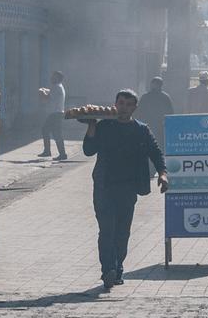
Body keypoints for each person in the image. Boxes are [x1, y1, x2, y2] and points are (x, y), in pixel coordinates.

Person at [82, 89, 168, 288]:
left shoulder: (141, 130)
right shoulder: (104, 126)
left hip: (128, 188)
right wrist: (91, 126)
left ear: (135, 108)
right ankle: (108, 270)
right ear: (115, 104)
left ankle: (118, 267)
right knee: (106, 230)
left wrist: (163, 173)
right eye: (121, 103)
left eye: (129, 105)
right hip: (104, 186)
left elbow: (155, 152)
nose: (124, 108)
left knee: (122, 232)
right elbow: (88, 150)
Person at [136, 76, 175, 147]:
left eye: (155, 84)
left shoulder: (164, 97)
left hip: (159, 125)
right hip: (150, 125)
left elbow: (170, 113)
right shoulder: (147, 97)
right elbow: (139, 111)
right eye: (153, 84)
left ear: (160, 85)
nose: (153, 86)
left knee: (157, 143)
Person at [39, 70, 68, 159]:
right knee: (50, 131)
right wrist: (46, 90)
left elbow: (48, 97)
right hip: (56, 113)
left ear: (58, 78)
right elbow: (51, 92)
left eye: (54, 77)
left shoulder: (57, 87)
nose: (51, 78)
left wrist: (42, 92)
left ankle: (61, 154)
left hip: (55, 114)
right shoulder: (58, 87)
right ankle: (50, 151)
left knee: (55, 133)